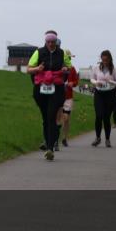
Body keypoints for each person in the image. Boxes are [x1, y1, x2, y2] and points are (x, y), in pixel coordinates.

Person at [27, 31, 72, 161]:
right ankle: (48, 143)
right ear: (45, 42)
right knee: (46, 118)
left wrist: (65, 69)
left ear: (56, 42)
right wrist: (38, 69)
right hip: (40, 89)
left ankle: (50, 148)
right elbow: (28, 69)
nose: (51, 44)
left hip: (56, 89)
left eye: (53, 42)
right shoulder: (38, 52)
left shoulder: (62, 53)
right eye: (48, 42)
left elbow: (69, 68)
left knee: (51, 117)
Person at [89, 50, 116, 148]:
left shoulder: (114, 69)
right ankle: (98, 137)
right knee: (99, 115)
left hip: (110, 94)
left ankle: (107, 139)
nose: (104, 62)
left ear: (110, 59)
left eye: (106, 60)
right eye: (103, 60)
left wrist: (111, 81)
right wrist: (96, 82)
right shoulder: (96, 68)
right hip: (99, 93)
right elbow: (92, 78)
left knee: (106, 117)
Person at [55, 50, 79, 149]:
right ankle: (56, 140)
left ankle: (64, 138)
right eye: (67, 58)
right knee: (58, 118)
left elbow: (76, 81)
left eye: (69, 58)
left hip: (68, 97)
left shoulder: (72, 69)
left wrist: (72, 83)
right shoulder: (58, 68)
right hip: (58, 96)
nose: (68, 60)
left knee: (66, 118)